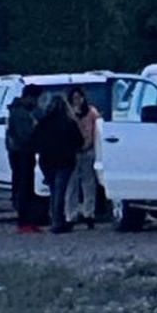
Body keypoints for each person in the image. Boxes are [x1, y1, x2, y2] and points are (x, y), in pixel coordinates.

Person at [35, 94, 84, 234]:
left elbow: (35, 140)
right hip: (64, 161)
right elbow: (79, 141)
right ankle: (58, 221)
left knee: (54, 191)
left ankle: (56, 219)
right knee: (60, 192)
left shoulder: (43, 123)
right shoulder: (69, 123)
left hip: (47, 161)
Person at [6, 85, 41, 234]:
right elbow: (25, 135)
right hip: (22, 154)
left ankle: (28, 221)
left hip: (21, 153)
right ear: (29, 97)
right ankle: (24, 222)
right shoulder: (21, 113)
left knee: (26, 187)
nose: (37, 102)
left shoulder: (20, 111)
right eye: (35, 98)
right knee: (24, 187)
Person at [65, 87, 101, 228]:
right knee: (72, 185)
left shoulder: (91, 112)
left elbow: (98, 126)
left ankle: (89, 213)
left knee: (89, 184)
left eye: (79, 97)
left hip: (88, 151)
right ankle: (71, 215)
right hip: (72, 152)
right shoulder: (67, 113)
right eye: (74, 98)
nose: (77, 101)